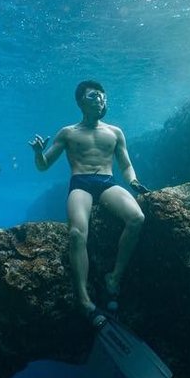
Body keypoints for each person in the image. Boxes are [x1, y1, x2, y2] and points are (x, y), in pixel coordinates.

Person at [29, 80, 150, 320]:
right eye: (94, 96)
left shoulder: (115, 132)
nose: (101, 100)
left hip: (107, 182)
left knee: (137, 218)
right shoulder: (68, 133)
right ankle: (83, 299)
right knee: (76, 233)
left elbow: (125, 165)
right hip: (80, 184)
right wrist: (37, 153)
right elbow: (43, 166)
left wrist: (134, 182)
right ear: (80, 102)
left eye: (103, 96)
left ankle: (114, 278)